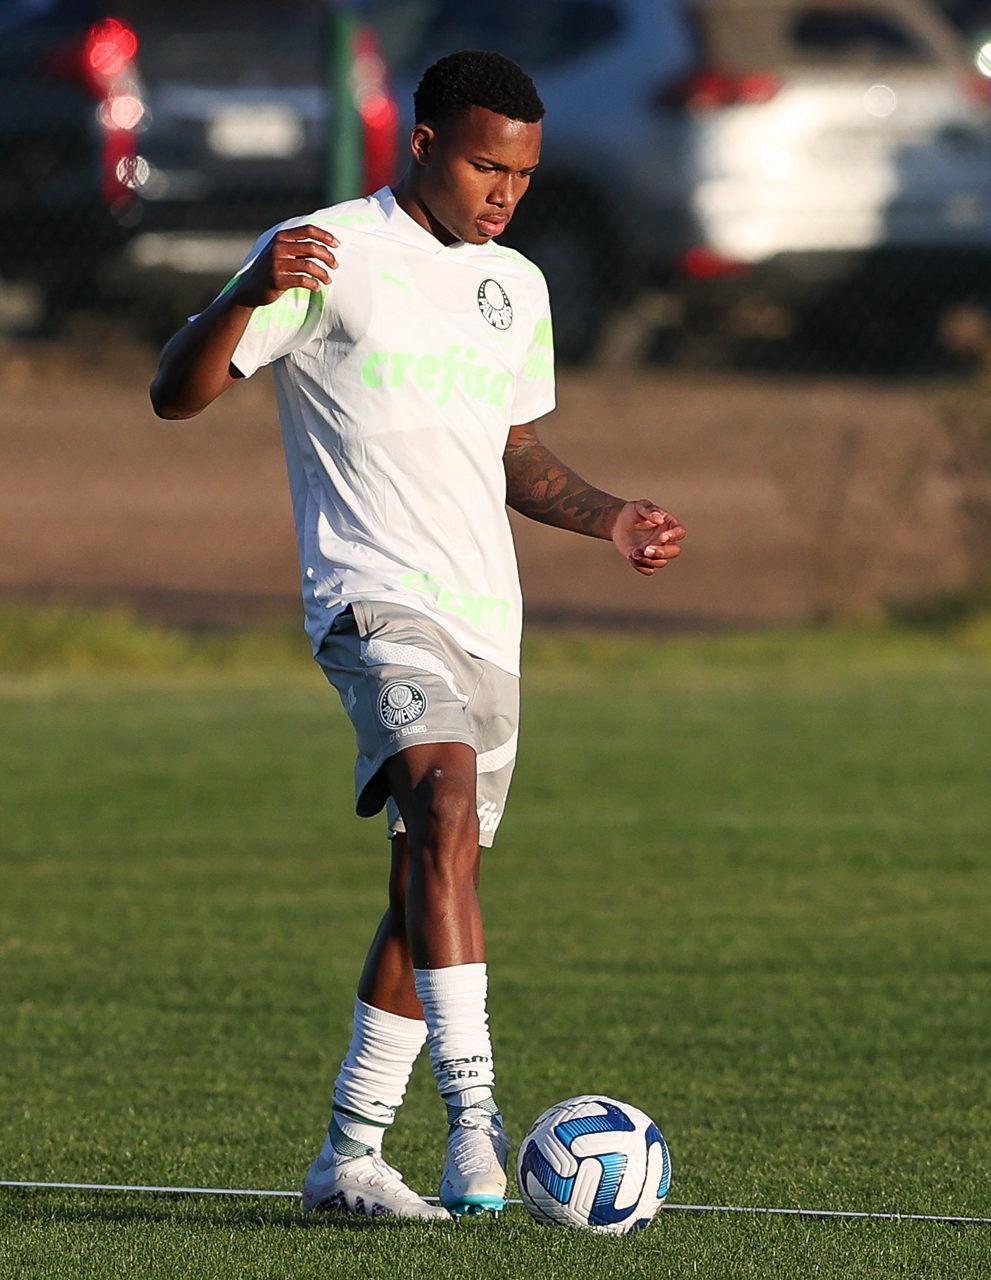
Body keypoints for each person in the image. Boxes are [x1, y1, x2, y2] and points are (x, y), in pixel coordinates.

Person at [150, 49, 685, 1222]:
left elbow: (513, 450)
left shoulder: (518, 285)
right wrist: (243, 288)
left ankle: (348, 1156)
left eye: (525, 175)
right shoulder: (323, 250)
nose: (507, 193)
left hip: (489, 618)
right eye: (489, 166)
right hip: (368, 596)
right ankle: (475, 1114)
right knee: (439, 801)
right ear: (427, 143)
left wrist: (608, 516)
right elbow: (175, 392)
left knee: (428, 878)